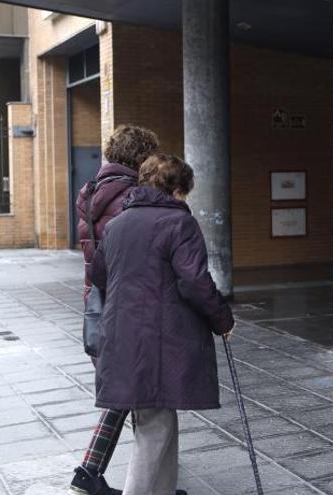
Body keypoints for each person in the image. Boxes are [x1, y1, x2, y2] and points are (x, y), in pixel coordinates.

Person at [90, 153, 234, 495]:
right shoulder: (178, 223)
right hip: (159, 339)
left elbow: (99, 274)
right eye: (185, 189)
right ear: (177, 188)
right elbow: (195, 282)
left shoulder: (117, 224)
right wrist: (222, 320)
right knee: (154, 424)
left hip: (122, 334)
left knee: (157, 416)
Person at [70, 125, 162, 495]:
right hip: (127, 302)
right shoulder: (130, 196)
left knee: (127, 390)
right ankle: (110, 475)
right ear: (141, 156)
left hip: (98, 297)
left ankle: (101, 472)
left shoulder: (91, 190)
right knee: (134, 391)